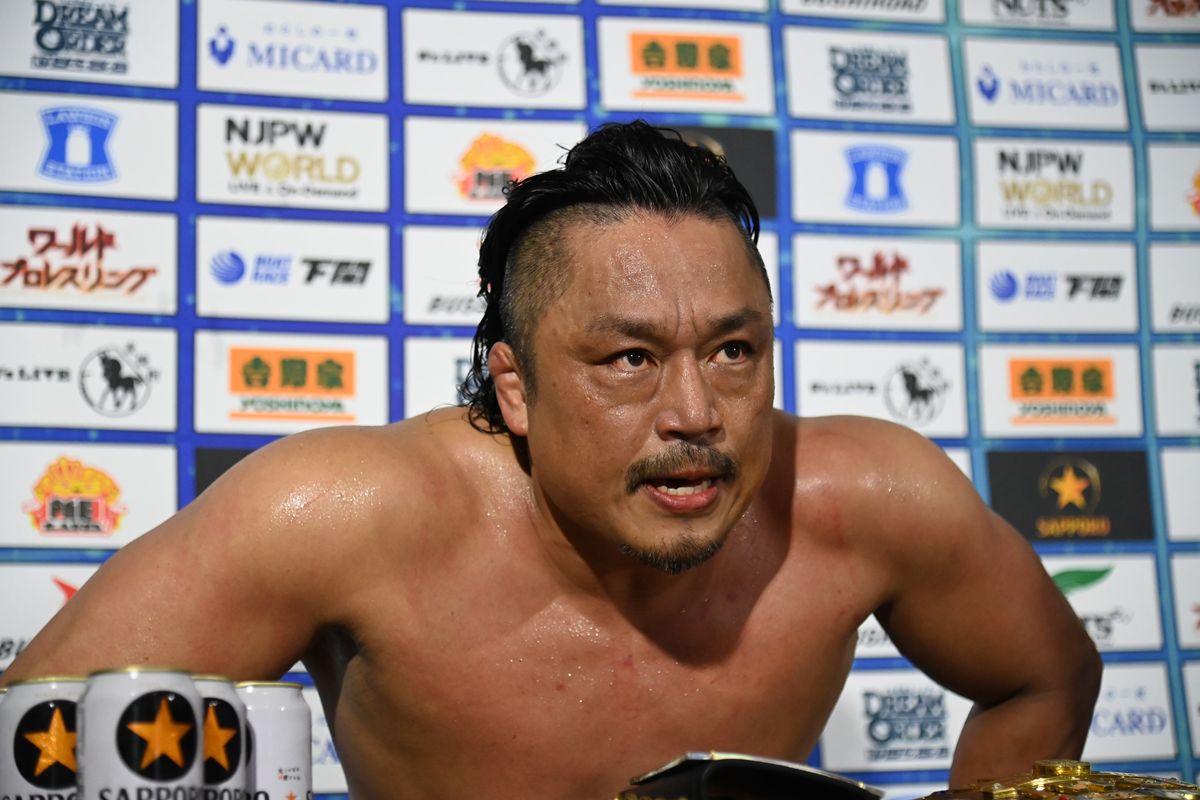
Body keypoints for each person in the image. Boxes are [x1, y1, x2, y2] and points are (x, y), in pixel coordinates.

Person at [1, 121, 1100, 799]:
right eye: (628, 359)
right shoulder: (343, 514)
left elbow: (1046, 676)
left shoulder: (869, 501)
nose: (695, 413)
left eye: (734, 351)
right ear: (515, 386)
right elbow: (32, 738)